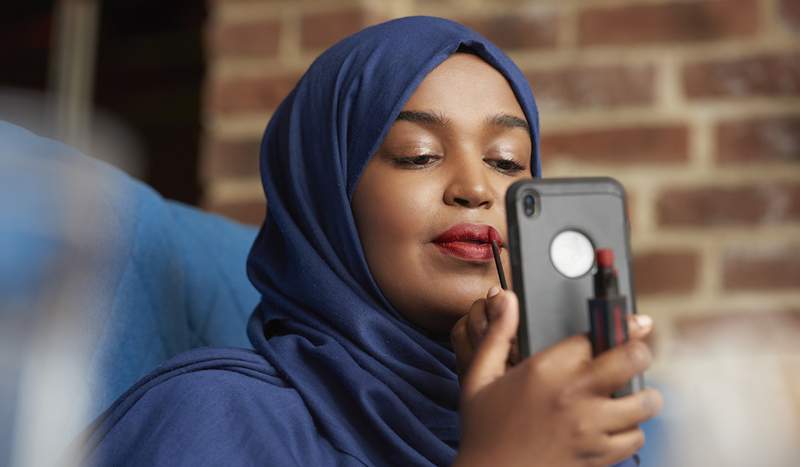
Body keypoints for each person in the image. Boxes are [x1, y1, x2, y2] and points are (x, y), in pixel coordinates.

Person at [80, 16, 661, 466]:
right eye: (419, 155)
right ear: (326, 195)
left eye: (507, 163)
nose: (476, 187)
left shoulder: (570, 427)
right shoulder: (215, 419)